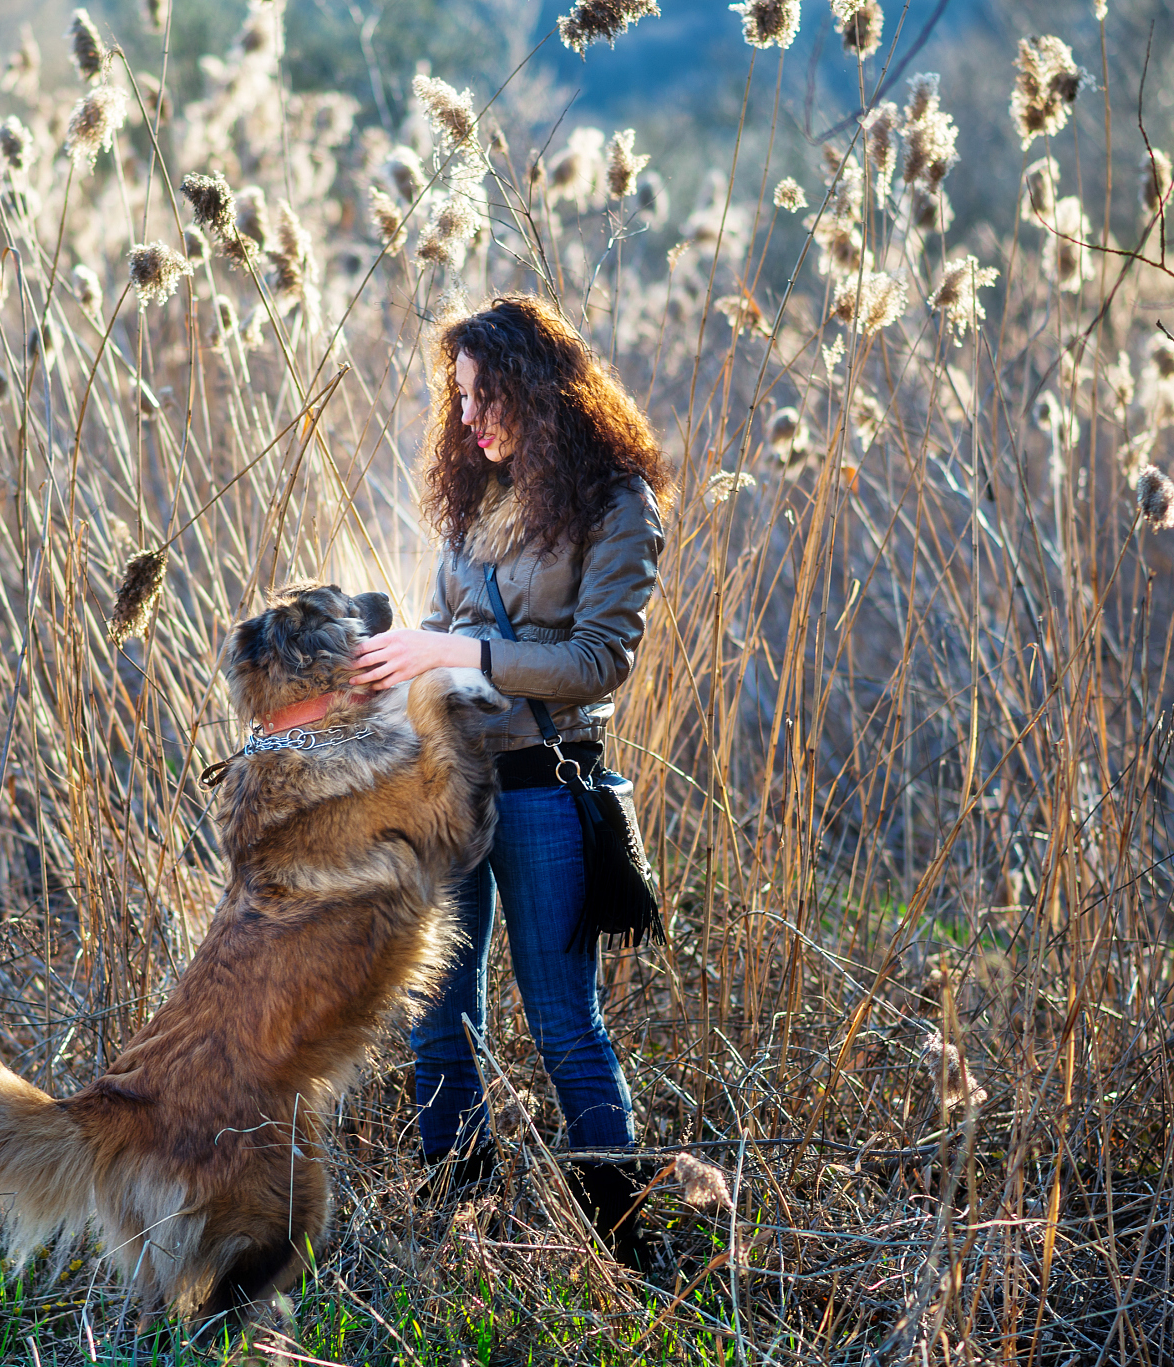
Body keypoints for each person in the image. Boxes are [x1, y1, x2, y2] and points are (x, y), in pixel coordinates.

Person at [351, 294, 672, 1269]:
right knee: (436, 1019)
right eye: (457, 398)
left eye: (485, 395)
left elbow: (593, 663)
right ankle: (462, 1239)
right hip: (449, 791)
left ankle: (627, 1252)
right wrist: (383, 668)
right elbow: (444, 647)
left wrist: (448, 646)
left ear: (540, 391)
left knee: (563, 1022)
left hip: (545, 791)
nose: (468, 418)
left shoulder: (616, 503)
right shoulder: (474, 502)